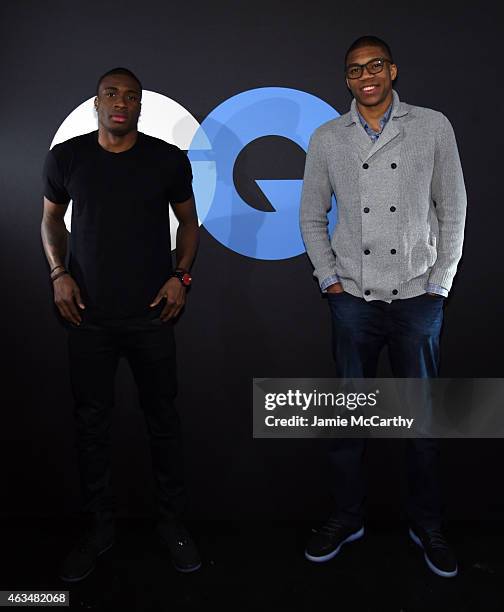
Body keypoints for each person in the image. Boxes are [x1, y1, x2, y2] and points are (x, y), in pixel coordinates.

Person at [300, 36, 466, 578]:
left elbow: (453, 208)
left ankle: (428, 524)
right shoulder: (328, 137)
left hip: (418, 296)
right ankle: (347, 518)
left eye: (375, 65)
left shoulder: (433, 125)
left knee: (422, 425)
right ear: (346, 80)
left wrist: (439, 283)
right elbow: (310, 217)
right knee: (349, 423)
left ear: (392, 70)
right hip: (354, 300)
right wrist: (330, 280)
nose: (366, 75)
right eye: (354, 69)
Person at [41, 67, 201, 581]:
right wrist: (58, 272)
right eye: (112, 93)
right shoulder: (67, 157)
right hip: (87, 317)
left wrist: (181, 277)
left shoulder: (167, 159)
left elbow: (189, 223)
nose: (121, 102)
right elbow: (50, 219)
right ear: (96, 101)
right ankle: (98, 528)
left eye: (131, 97)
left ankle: (172, 524)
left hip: (153, 316)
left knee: (164, 423)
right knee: (91, 426)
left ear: (139, 106)